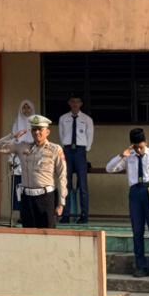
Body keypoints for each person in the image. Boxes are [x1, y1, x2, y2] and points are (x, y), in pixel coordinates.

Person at [105, 128, 149, 277]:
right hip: (135, 193)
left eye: (141, 146)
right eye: (136, 147)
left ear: (146, 142)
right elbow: (109, 168)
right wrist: (122, 155)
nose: (139, 150)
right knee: (137, 231)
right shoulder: (129, 157)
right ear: (131, 146)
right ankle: (140, 266)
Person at [0, 114, 67, 229]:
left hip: (46, 197)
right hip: (27, 198)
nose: (37, 132)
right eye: (34, 129)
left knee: (47, 234)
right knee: (28, 234)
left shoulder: (55, 149)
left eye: (40, 129)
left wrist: (61, 203)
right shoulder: (22, 147)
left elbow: (62, 176)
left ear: (47, 132)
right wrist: (12, 136)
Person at [57, 95, 95, 224]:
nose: (75, 104)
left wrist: (86, 149)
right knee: (65, 183)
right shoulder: (63, 118)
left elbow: (89, 135)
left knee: (83, 185)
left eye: (77, 102)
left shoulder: (86, 119)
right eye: (72, 102)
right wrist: (65, 147)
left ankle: (84, 215)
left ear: (81, 104)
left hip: (80, 151)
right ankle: (66, 214)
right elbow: (61, 135)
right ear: (69, 103)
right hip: (67, 150)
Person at [7, 100, 36, 219]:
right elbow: (13, 142)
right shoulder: (16, 124)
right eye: (23, 108)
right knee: (19, 187)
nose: (26, 110)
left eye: (28, 107)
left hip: (33, 157)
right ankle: (21, 215)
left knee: (31, 187)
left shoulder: (36, 124)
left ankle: (31, 214)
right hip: (19, 159)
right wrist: (10, 158)